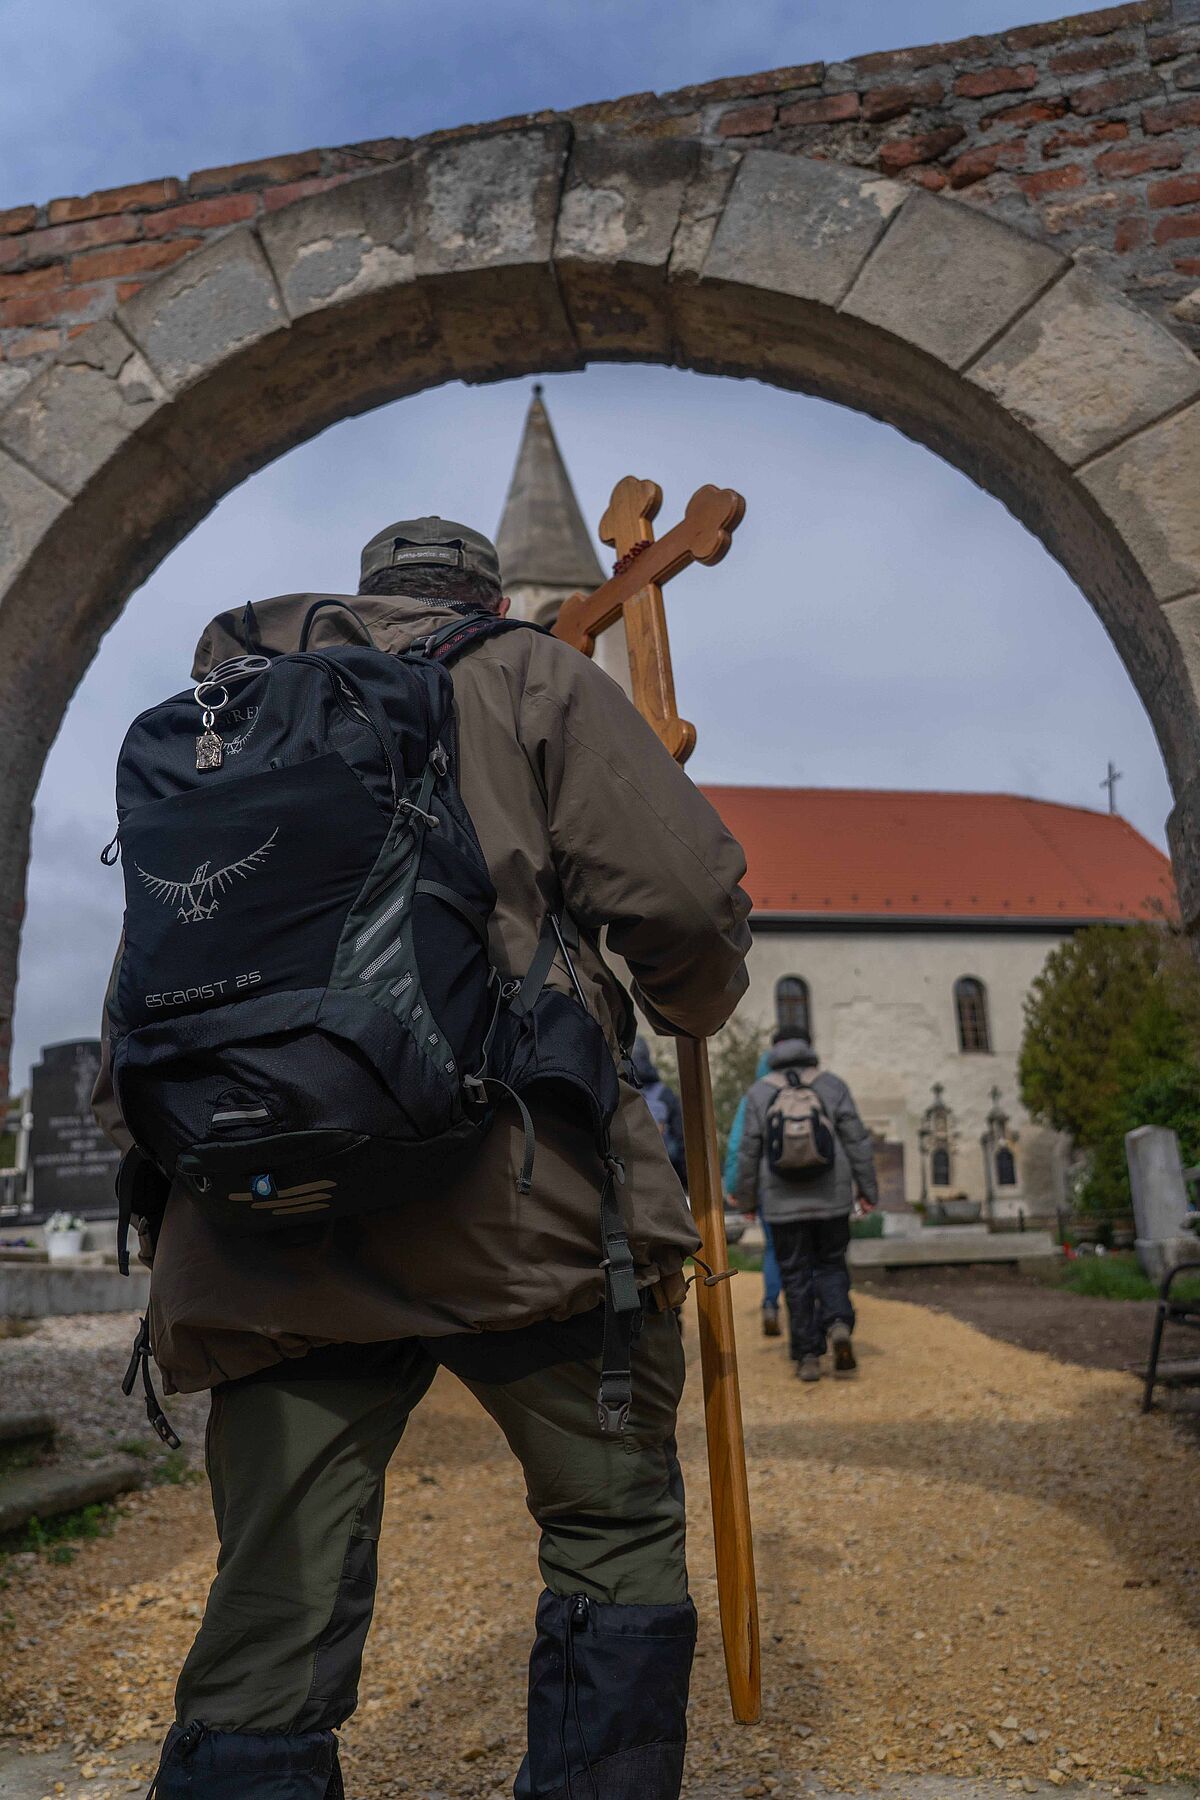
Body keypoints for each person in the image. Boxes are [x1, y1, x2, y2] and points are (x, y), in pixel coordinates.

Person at [93, 517, 752, 1800]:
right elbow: (674, 900)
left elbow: (146, 998)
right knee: (609, 1526)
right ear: (488, 596)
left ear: (366, 594)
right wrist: (694, 1000)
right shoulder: (526, 671)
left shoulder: (226, 716)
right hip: (517, 1204)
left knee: (273, 1591)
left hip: (257, 1216)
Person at [731, 1031, 877, 1383]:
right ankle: (839, 1325)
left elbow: (747, 1151)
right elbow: (856, 1140)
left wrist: (747, 1200)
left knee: (795, 1276)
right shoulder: (832, 1085)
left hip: (782, 1204)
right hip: (831, 1199)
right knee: (830, 1265)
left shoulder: (760, 1092)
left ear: (773, 1055)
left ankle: (808, 1355)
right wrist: (867, 1190)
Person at [722, 1048, 783, 1337]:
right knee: (806, 1251)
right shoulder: (807, 1087)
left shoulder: (754, 1097)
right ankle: (810, 1312)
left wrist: (737, 1189)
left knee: (773, 1248)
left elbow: (739, 1147)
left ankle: (771, 1305)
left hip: (768, 1189)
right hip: (808, 1188)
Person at [631, 1037, 687, 1188]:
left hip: (631, 1173)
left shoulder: (620, 1090)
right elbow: (681, 1137)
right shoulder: (665, 1093)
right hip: (665, 1170)